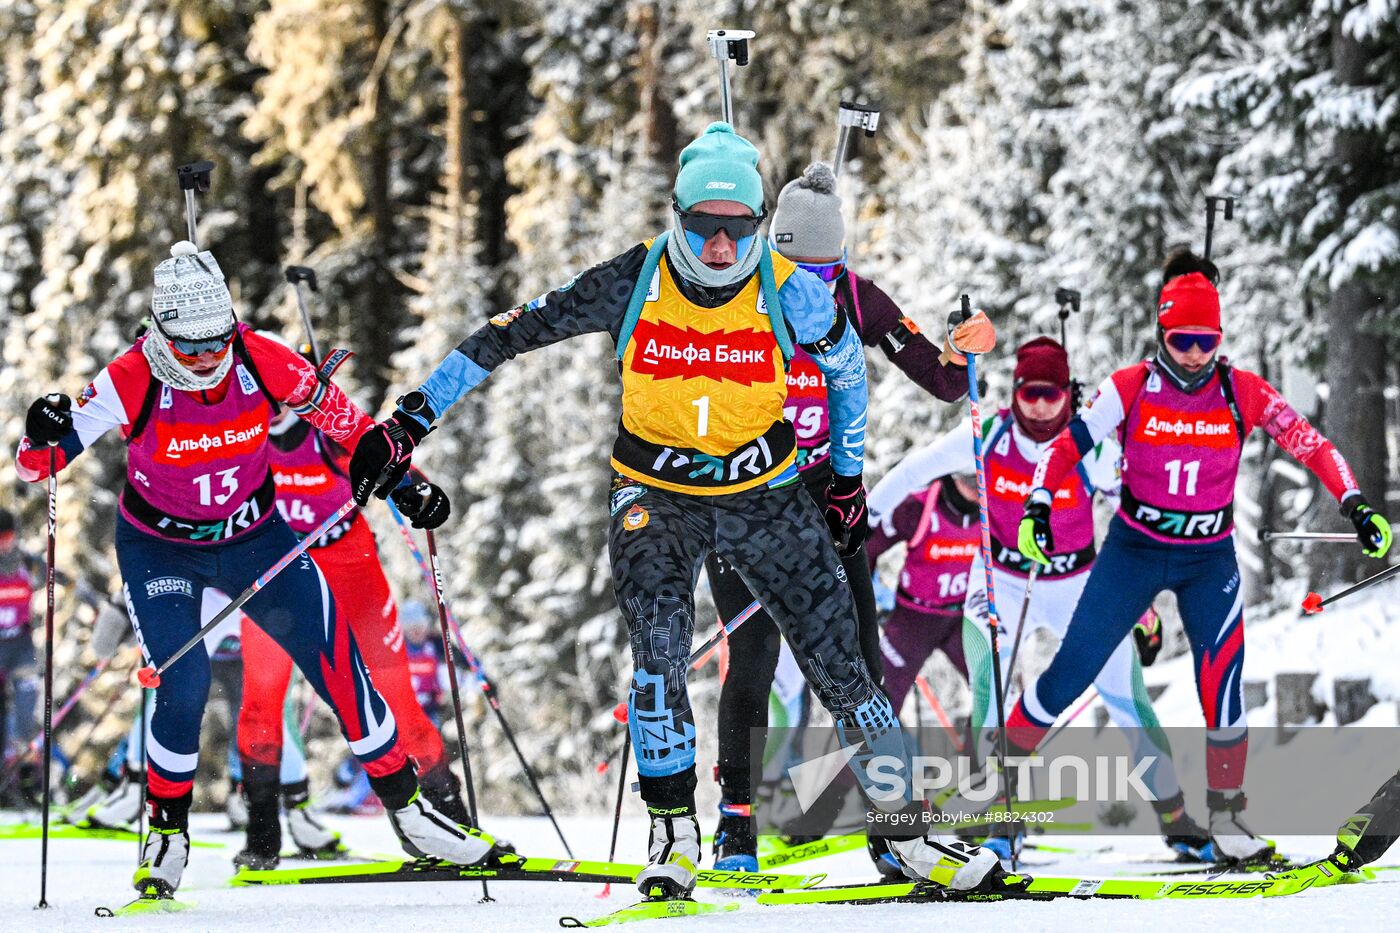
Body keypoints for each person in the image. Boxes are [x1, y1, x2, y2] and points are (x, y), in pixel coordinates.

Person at [347, 122, 1013, 899]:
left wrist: (845, 479)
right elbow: (509, 335)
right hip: (654, 490)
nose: (726, 249)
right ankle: (673, 829)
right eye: (706, 228)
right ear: (677, 216)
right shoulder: (634, 279)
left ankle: (907, 831)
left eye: (741, 230)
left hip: (764, 491)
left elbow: (845, 372)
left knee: (842, 660)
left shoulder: (790, 288)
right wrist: (409, 419)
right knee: (659, 649)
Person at [15, 241, 501, 899]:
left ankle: (413, 812)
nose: (208, 359)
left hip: (255, 536)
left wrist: (401, 481)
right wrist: (38, 433)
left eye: (217, 342)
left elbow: (350, 426)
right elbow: (39, 464)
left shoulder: (261, 356)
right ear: (160, 334)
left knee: (336, 662)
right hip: (162, 548)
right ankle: (166, 830)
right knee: (181, 681)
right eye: (190, 348)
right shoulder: (131, 376)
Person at [1011, 250, 1393, 863]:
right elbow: (1064, 448)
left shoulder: (1242, 389)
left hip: (1208, 556)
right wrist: (1036, 504)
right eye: (1183, 340)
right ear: (1164, 334)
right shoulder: (1131, 386)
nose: (1194, 353)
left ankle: (1229, 821)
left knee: (1223, 681)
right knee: (1069, 674)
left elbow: (1312, 444)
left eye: (1206, 340)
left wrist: (1355, 503)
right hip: (1135, 549)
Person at [707, 161, 994, 872]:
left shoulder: (859, 300)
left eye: (825, 271)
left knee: (862, 665)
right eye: (792, 268)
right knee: (754, 656)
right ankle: (736, 828)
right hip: (743, 500)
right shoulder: (736, 291)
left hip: (828, 503)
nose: (810, 288)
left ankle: (889, 828)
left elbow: (945, 379)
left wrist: (969, 346)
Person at [231, 400, 468, 870]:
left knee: (396, 698)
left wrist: (418, 493)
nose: (267, 411)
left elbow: (396, 467)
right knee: (260, 701)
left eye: (274, 398)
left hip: (350, 569)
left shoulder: (330, 432)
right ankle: (261, 837)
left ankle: (452, 820)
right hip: (278, 577)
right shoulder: (238, 439)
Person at [864, 474, 981, 714]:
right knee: (882, 696)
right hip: (914, 619)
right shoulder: (920, 506)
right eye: (969, 478)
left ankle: (984, 749)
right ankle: (873, 749)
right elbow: (866, 548)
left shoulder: (996, 506)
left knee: (994, 685)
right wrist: (868, 599)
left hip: (965, 618)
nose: (976, 485)